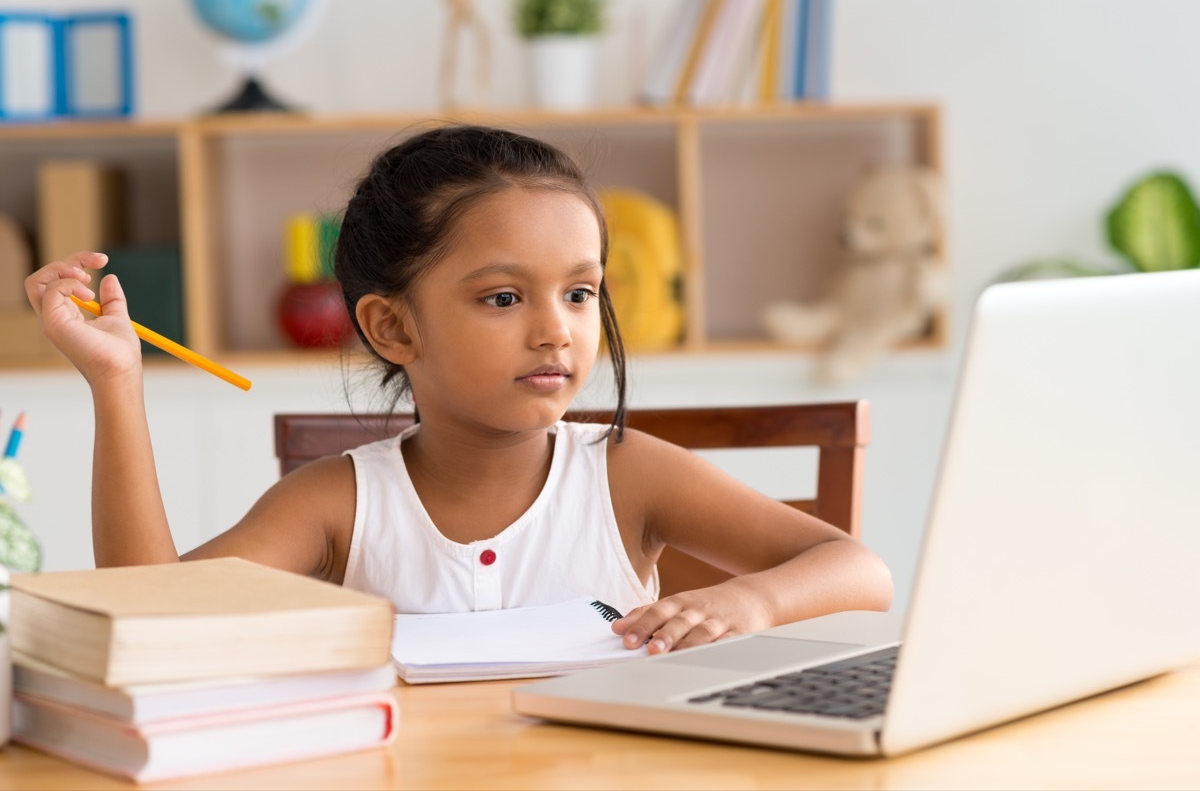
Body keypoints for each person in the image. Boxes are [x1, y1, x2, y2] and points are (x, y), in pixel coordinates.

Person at [26, 125, 892, 655]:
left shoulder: (627, 473)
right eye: (504, 297)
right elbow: (154, 618)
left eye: (582, 292)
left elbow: (859, 569)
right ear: (393, 327)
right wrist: (117, 382)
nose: (558, 328)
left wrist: (751, 597)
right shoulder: (337, 501)